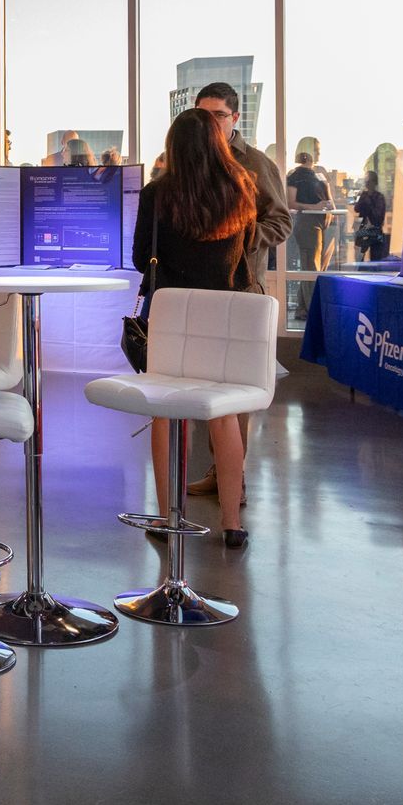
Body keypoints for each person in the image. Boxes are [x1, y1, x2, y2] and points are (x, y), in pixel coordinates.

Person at [132, 108, 258, 547]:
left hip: (172, 316)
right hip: (225, 316)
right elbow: (247, 248)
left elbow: (140, 258)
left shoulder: (157, 194)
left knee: (167, 414)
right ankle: (232, 524)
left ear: (174, 147)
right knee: (223, 415)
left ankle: (169, 518)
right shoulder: (242, 187)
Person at [189, 81, 290, 501]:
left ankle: (233, 478)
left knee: (234, 393)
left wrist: (239, 238)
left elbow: (280, 223)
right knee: (201, 388)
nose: (211, 123)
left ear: (235, 117)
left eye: (218, 115)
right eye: (203, 115)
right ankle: (219, 472)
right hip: (197, 291)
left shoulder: (255, 163)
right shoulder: (191, 160)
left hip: (241, 288)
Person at [286, 148, 333, 316]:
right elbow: (290, 202)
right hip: (307, 224)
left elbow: (328, 199)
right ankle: (313, 310)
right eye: (315, 149)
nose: (318, 153)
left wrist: (329, 208)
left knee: (314, 267)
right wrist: (314, 207)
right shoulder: (295, 176)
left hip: (323, 224)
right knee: (311, 267)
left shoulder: (318, 173)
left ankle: (303, 308)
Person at [353, 170, 389, 261]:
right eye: (366, 181)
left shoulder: (379, 197)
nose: (367, 183)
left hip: (375, 230)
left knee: (375, 258)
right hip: (363, 229)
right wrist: (362, 199)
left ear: (374, 182)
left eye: (369, 181)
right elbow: (356, 209)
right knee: (359, 258)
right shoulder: (363, 195)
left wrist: (369, 202)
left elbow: (378, 216)